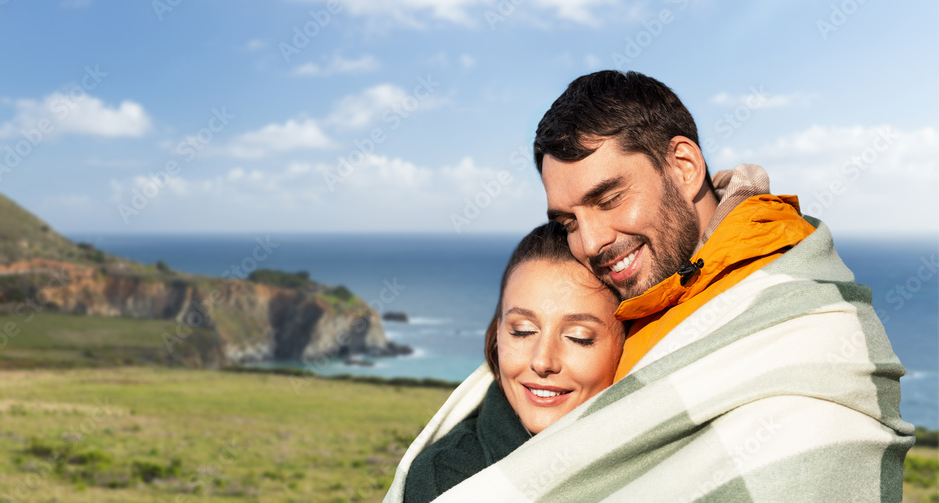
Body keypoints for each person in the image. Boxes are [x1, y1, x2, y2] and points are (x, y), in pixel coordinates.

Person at [386, 70, 914, 503]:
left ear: (684, 167)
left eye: (609, 199)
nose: (591, 242)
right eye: (568, 221)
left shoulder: (795, 312)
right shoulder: (646, 287)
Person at [399, 222, 626, 502]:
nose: (542, 361)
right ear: (497, 334)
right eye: (523, 331)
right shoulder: (448, 479)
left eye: (578, 337)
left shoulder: (656, 458)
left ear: (627, 343)